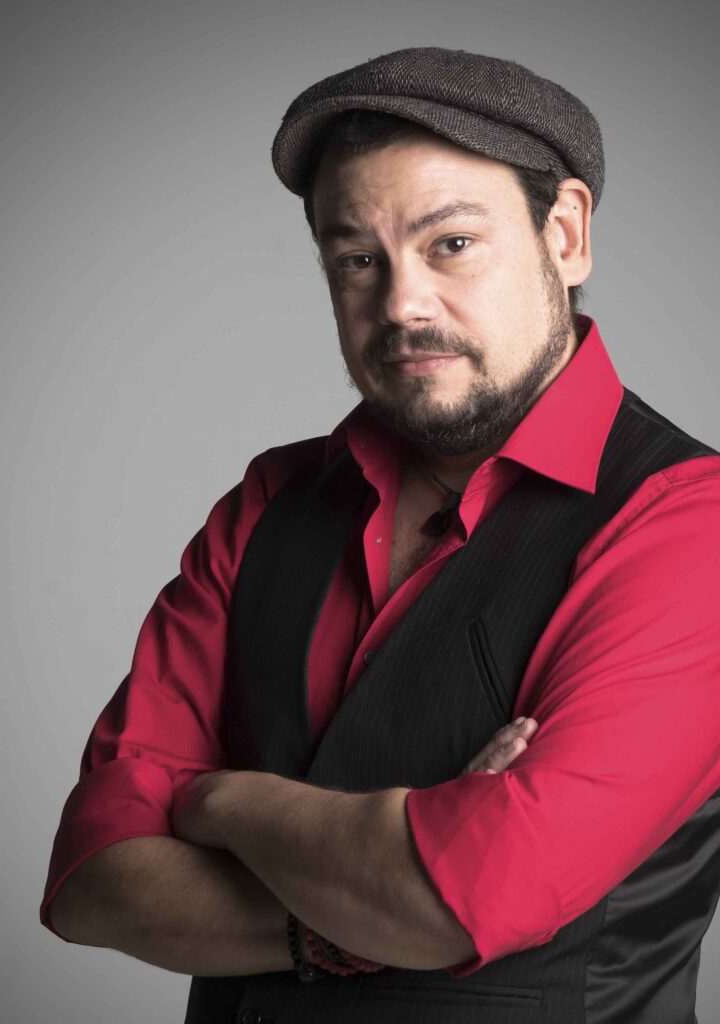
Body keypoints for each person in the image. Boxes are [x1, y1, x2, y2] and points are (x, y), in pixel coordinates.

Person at [40, 46, 720, 1024]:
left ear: (565, 235)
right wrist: (350, 916)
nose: (400, 304)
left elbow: (460, 899)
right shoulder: (270, 500)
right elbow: (92, 878)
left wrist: (216, 800)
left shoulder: (687, 523)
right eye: (357, 260)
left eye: (452, 244)